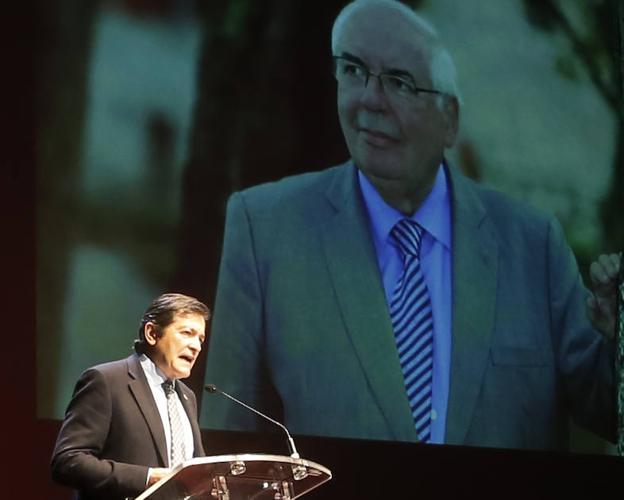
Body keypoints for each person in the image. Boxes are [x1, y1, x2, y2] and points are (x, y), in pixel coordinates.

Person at [201, 0, 621, 450]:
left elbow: (605, 411)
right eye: (354, 71)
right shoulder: (264, 227)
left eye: (400, 83)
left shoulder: (532, 244)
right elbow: (228, 440)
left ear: (450, 120)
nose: (369, 100)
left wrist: (620, 342)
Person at [52, 293, 210, 500]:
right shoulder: (107, 381)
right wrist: (147, 477)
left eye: (200, 339)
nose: (196, 346)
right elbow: (68, 461)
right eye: (187, 333)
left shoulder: (187, 397)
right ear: (152, 333)